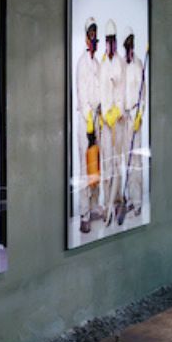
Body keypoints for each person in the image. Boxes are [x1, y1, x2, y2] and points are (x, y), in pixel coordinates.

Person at [74, 19, 103, 236]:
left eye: (96, 33)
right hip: (85, 121)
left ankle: (95, 206)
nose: (93, 37)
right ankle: (84, 214)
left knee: (97, 166)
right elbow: (83, 97)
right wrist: (90, 125)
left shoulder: (98, 64)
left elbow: (100, 93)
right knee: (86, 168)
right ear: (86, 38)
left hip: (97, 119)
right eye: (90, 34)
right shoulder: (82, 63)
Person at [118, 33, 147, 220]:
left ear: (133, 46)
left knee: (135, 162)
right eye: (125, 47)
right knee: (124, 160)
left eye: (130, 46)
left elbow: (143, 97)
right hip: (124, 118)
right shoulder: (122, 66)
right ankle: (128, 199)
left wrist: (139, 116)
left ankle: (137, 202)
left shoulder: (138, 66)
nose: (128, 50)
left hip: (135, 118)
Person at [101, 21, 127, 226]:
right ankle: (107, 205)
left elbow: (122, 91)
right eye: (107, 40)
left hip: (117, 123)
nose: (110, 44)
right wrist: (104, 113)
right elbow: (102, 92)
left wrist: (116, 110)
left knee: (117, 164)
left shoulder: (120, 63)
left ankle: (116, 204)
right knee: (106, 165)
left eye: (113, 40)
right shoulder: (103, 64)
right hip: (105, 124)